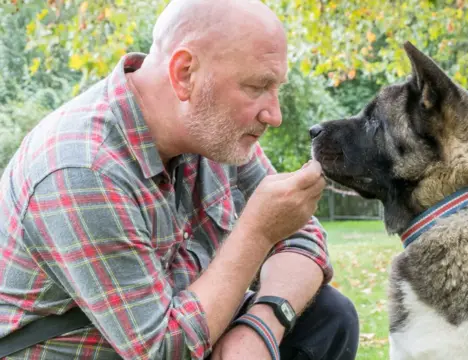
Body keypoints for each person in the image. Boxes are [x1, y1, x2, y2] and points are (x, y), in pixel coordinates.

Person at [0, 0, 359, 359]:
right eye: (256, 87)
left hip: (185, 327)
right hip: (91, 350)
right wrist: (258, 232)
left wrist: (261, 323)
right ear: (185, 73)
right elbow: (164, 351)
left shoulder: (215, 132)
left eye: (276, 87)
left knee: (329, 317)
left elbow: (304, 236)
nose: (274, 115)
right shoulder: (82, 168)